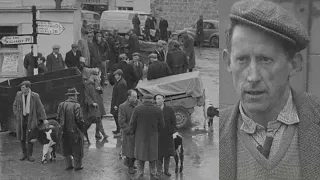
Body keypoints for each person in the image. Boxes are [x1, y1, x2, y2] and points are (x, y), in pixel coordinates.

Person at [220, 0, 316, 180]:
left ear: (294, 64)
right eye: (242, 60)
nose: (253, 77)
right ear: (228, 62)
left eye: (265, 60)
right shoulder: (217, 133)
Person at [129, 94, 164, 180]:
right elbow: (162, 125)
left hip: (140, 136)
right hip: (153, 136)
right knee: (152, 156)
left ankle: (140, 174)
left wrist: (133, 133)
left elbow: (132, 123)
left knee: (140, 156)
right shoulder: (158, 109)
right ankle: (152, 174)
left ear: (143, 100)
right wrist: (156, 131)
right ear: (153, 100)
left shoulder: (137, 109)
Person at [13, 81, 47, 162]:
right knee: (22, 137)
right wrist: (17, 114)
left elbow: (40, 107)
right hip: (21, 119)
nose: (22, 89)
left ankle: (30, 155)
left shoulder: (35, 96)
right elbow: (14, 105)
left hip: (31, 118)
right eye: (21, 87)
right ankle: (24, 154)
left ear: (28, 88)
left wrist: (44, 118)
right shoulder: (19, 94)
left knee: (30, 137)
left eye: (23, 87)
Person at [56, 88, 85, 171]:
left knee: (66, 147)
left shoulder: (61, 104)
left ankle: (68, 165)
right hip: (75, 131)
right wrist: (82, 129)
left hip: (64, 130)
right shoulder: (77, 105)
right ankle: (77, 166)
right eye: (76, 95)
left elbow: (58, 117)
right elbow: (79, 119)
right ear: (74, 96)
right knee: (77, 148)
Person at [155, 94, 176, 177]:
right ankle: (159, 171)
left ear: (163, 99)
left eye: (159, 99)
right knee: (158, 154)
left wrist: (171, 131)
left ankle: (166, 170)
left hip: (167, 135)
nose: (158, 100)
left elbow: (174, 122)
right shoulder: (154, 109)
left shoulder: (169, 109)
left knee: (167, 154)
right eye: (156, 99)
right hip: (158, 135)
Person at [118, 89, 139, 174]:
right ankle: (130, 166)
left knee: (136, 150)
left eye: (136, 97)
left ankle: (131, 163)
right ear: (129, 97)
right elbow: (121, 121)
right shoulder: (123, 106)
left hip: (138, 131)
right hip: (129, 132)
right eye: (134, 97)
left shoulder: (138, 104)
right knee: (129, 150)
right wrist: (129, 130)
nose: (136, 99)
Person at [84, 70, 108, 140]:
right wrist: (91, 102)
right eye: (96, 75)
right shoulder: (87, 84)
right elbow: (86, 95)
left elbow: (101, 91)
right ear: (91, 75)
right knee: (96, 119)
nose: (97, 77)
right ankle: (103, 134)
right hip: (94, 105)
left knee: (99, 118)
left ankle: (97, 133)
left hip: (99, 103)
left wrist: (100, 89)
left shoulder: (97, 82)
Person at [110, 69, 127, 137]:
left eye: (116, 75)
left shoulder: (121, 83)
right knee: (115, 116)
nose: (115, 76)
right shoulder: (119, 82)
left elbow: (120, 95)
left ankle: (119, 131)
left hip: (117, 103)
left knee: (118, 117)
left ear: (120, 75)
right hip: (115, 102)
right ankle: (118, 129)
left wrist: (117, 105)